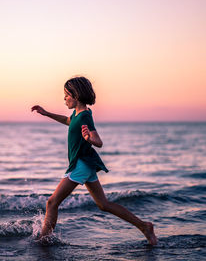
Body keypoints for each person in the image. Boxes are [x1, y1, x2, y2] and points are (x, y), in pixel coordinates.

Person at [31, 76, 157, 245]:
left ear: (76, 95)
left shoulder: (85, 117)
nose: (64, 98)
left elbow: (99, 141)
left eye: (66, 95)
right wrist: (46, 113)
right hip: (85, 163)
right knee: (103, 204)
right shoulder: (79, 114)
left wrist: (90, 139)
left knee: (52, 202)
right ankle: (144, 226)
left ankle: (43, 242)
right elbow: (67, 120)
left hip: (81, 164)